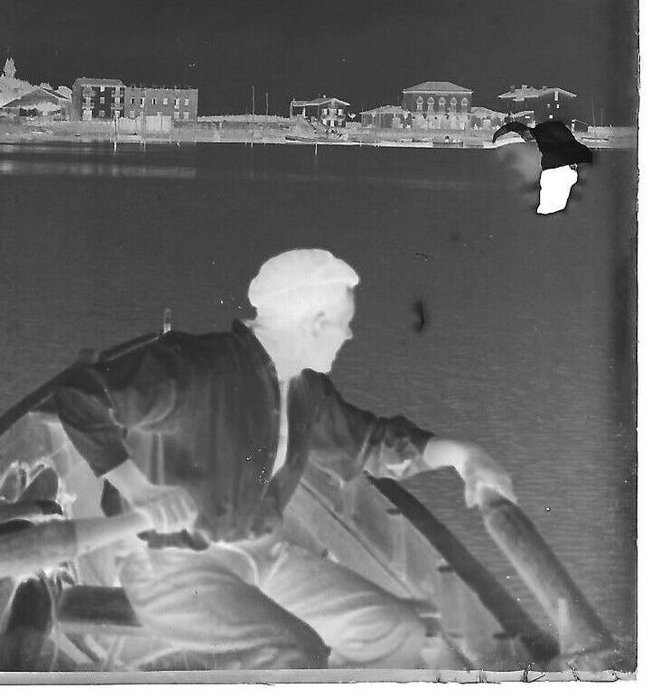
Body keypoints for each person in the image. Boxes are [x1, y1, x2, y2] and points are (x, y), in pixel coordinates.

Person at [52, 249, 516, 670]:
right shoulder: (194, 364)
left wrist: (464, 455)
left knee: (398, 630)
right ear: (315, 322)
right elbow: (79, 393)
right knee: (293, 652)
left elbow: (372, 441)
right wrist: (137, 487)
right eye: (345, 322)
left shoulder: (306, 389)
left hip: (266, 559)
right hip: (173, 569)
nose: (349, 335)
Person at [489, 120, 593, 215]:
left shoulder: (542, 133)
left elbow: (516, 127)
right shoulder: (548, 133)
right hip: (565, 168)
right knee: (550, 205)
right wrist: (497, 135)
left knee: (547, 208)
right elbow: (514, 126)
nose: (525, 139)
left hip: (558, 171)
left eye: (524, 136)